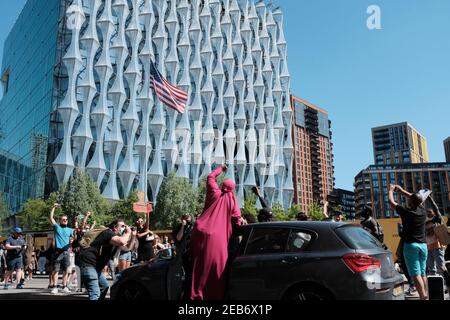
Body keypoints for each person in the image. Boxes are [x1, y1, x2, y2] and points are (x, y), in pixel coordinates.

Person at [190, 164, 243, 300]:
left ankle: (196, 295)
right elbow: (237, 220)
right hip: (217, 238)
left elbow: (210, 177)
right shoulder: (232, 201)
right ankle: (213, 296)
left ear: (222, 186)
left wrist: (221, 169)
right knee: (216, 268)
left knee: (199, 266)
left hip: (200, 231)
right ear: (232, 190)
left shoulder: (214, 191)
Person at [389, 185, 429, 300]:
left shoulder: (406, 212)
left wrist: (391, 190)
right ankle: (425, 295)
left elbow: (391, 202)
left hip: (411, 246)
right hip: (423, 245)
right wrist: (401, 191)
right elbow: (416, 198)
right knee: (422, 273)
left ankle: (422, 298)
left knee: (415, 274)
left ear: (411, 202)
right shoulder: (422, 211)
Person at [78, 219, 131, 300]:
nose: (124, 228)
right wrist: (128, 233)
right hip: (88, 265)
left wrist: (132, 236)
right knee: (95, 293)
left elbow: (128, 247)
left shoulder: (113, 238)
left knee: (104, 287)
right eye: (122, 226)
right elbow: (121, 241)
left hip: (95, 268)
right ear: (115, 227)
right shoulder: (108, 233)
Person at [425, 196, 450, 288]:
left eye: (430, 211)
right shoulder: (425, 222)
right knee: (431, 269)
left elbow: (435, 207)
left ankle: (447, 284)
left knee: (441, 266)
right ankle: (436, 287)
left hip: (437, 247)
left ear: (434, 213)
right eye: (427, 212)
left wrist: (430, 198)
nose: (428, 213)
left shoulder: (437, 219)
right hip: (428, 248)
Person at [49, 203, 74, 294]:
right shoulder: (57, 227)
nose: (65, 221)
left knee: (66, 270)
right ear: (60, 220)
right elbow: (51, 218)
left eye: (66, 220)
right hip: (57, 252)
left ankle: (64, 286)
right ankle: (55, 287)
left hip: (66, 252)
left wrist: (73, 240)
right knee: (56, 270)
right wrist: (53, 208)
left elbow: (75, 237)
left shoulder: (70, 230)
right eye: (63, 220)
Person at [172, 214, 193, 299]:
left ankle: (189, 293)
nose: (187, 221)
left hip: (191, 255)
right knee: (182, 276)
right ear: (182, 219)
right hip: (181, 255)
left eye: (189, 220)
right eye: (186, 219)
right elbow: (178, 238)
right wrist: (182, 227)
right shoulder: (178, 227)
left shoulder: (192, 227)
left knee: (189, 275)